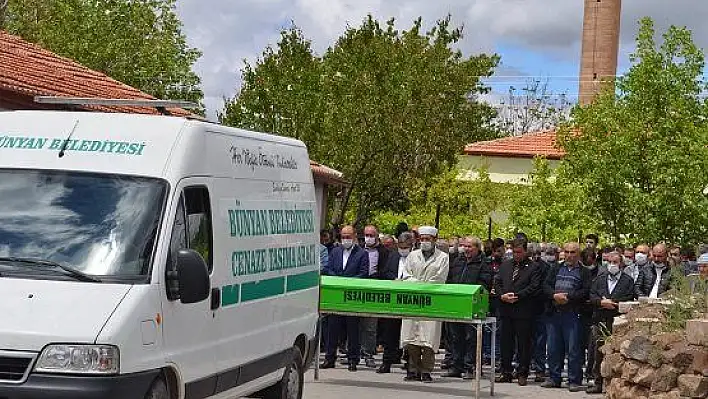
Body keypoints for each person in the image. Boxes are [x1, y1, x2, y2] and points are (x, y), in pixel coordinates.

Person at [400, 226, 449, 383]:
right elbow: (406, 275)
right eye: (422, 239)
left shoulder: (443, 257)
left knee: (429, 339)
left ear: (434, 240)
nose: (425, 242)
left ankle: (426, 370)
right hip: (413, 300)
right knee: (411, 338)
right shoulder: (412, 256)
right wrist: (417, 284)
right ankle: (413, 369)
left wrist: (423, 286)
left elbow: (440, 278)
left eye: (428, 239)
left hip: (431, 300)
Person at [542, 242, 592, 392]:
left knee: (573, 349)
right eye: (567, 252)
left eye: (573, 252)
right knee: (553, 348)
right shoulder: (556, 268)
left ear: (578, 254)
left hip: (572, 313)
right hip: (554, 313)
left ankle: (574, 380)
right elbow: (546, 285)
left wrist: (568, 297)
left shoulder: (584, 271)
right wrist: (554, 295)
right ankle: (554, 377)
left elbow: (585, 291)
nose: (569, 255)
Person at [320, 225, 369, 371]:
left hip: (352, 297)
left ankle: (353, 359)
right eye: (343, 237)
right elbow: (328, 268)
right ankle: (330, 358)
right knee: (332, 329)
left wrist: (347, 282)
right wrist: (338, 281)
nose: (345, 239)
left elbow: (363, 273)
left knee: (353, 330)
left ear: (354, 237)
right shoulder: (335, 251)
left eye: (348, 237)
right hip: (336, 296)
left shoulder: (362, 254)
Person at [586, 251, 636, 394]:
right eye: (609, 262)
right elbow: (592, 296)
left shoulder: (628, 280)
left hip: (617, 321)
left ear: (621, 264)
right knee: (597, 351)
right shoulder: (599, 279)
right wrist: (601, 302)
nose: (612, 265)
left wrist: (613, 303)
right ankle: (597, 382)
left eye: (615, 262)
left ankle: (614, 383)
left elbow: (629, 297)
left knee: (617, 352)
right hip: (600, 319)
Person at [495, 238, 542, 386]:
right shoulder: (506, 265)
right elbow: (497, 282)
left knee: (523, 344)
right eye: (514, 252)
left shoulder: (533, 267)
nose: (516, 255)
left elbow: (534, 287)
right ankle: (506, 371)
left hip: (523, 311)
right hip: (506, 310)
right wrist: (502, 295)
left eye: (519, 252)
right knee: (506, 343)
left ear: (525, 251)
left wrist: (518, 296)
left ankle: (522, 372)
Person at [442, 237, 491, 379]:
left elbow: (485, 283)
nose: (466, 249)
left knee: (472, 338)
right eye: (465, 246)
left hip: (472, 305)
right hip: (456, 305)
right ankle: (456, 366)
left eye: (470, 247)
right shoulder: (458, 261)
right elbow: (450, 279)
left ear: (477, 248)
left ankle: (471, 367)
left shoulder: (484, 263)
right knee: (455, 337)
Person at [376, 232, 416, 374]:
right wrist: (393, 278)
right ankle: (387, 361)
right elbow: (384, 272)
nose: (402, 249)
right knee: (389, 332)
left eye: (405, 246)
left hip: (410, 299)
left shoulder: (417, 257)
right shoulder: (392, 255)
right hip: (393, 298)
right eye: (400, 246)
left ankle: (410, 363)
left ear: (411, 245)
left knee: (409, 333)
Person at [359, 225, 389, 368]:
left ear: (376, 236)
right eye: (366, 235)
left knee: (370, 326)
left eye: (371, 235)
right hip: (359, 287)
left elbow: (385, 271)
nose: (368, 238)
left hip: (374, 289)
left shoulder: (383, 252)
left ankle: (368, 354)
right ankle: (354, 353)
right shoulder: (358, 249)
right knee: (355, 325)